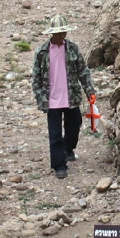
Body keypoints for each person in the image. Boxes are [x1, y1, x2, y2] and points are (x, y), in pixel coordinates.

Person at [31, 15, 96, 179]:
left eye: (63, 32)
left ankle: (68, 149)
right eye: (58, 33)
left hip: (71, 96)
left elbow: (83, 71)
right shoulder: (42, 52)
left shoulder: (73, 49)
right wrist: (40, 96)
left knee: (75, 124)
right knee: (55, 133)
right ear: (51, 34)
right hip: (51, 98)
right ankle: (59, 165)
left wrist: (89, 90)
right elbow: (36, 77)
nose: (61, 36)